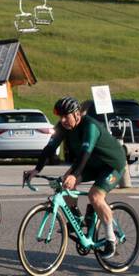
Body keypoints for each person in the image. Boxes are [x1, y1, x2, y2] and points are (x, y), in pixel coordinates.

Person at [24, 96, 127, 254]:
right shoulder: (63, 127)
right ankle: (76, 218)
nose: (63, 120)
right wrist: (36, 169)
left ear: (77, 114)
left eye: (66, 116)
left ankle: (110, 240)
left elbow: (86, 152)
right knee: (65, 183)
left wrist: (75, 175)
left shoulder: (90, 127)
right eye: (61, 116)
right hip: (91, 163)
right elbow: (49, 148)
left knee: (95, 197)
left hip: (112, 165)